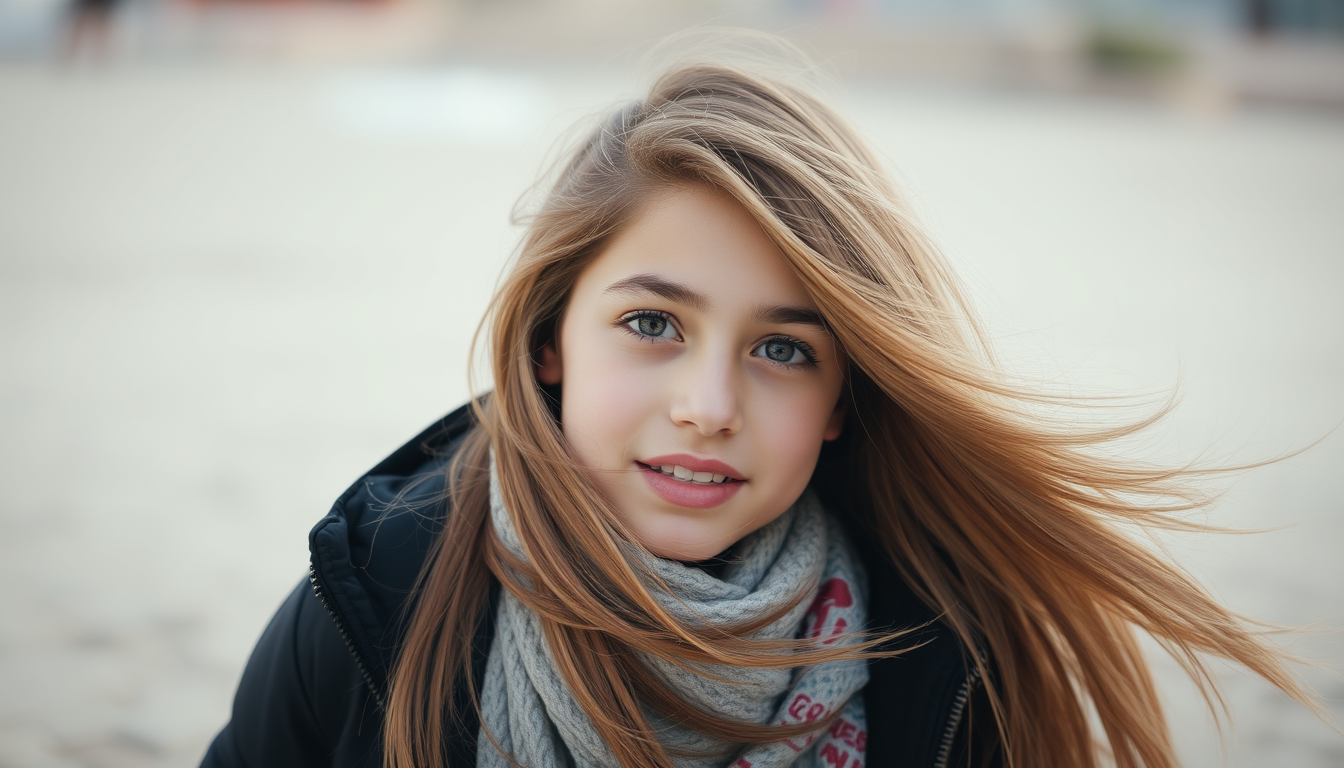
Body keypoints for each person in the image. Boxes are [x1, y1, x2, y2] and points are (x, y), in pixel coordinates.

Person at [200, 44, 1318, 768]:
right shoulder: (379, 592)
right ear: (550, 343)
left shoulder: (938, 648)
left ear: (844, 399)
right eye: (651, 325)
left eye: (784, 348)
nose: (706, 405)